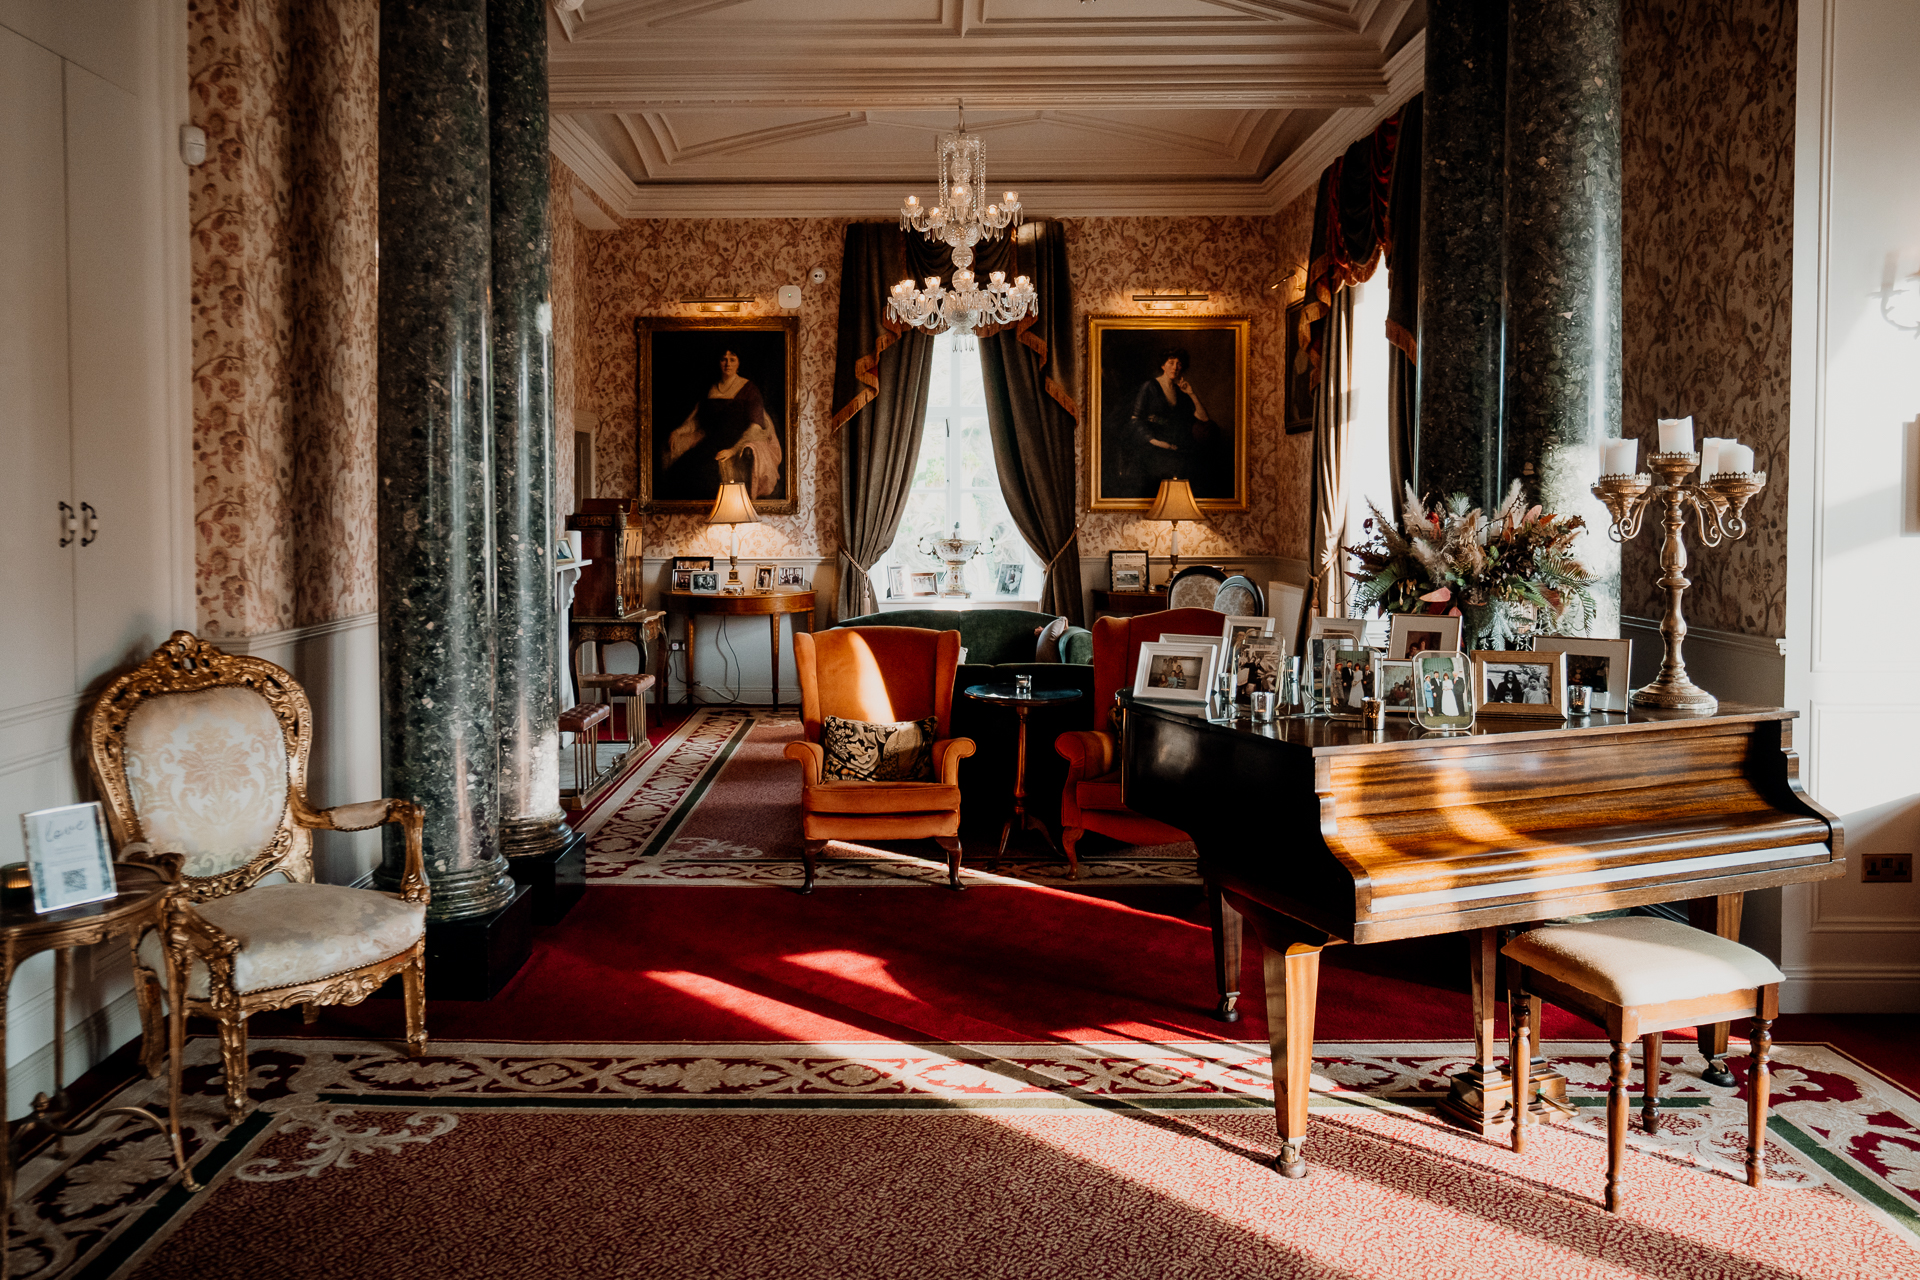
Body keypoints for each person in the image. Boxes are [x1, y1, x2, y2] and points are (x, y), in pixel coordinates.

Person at [660, 349, 784, 501]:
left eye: (732, 359)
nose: (727, 364)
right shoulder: (711, 389)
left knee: (706, 475)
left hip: (737, 442)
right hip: (711, 442)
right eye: (723, 359)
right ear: (718, 362)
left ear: (739, 363)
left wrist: (733, 450)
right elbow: (697, 420)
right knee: (681, 471)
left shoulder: (749, 389)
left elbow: (755, 427)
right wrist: (678, 432)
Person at [1125, 348, 1218, 492]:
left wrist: (1191, 394)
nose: (1175, 367)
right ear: (1163, 365)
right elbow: (1135, 419)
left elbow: (1204, 418)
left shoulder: (1181, 392)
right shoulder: (1150, 387)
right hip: (1153, 446)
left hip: (1176, 447)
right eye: (1171, 362)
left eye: (1179, 364)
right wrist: (1157, 442)